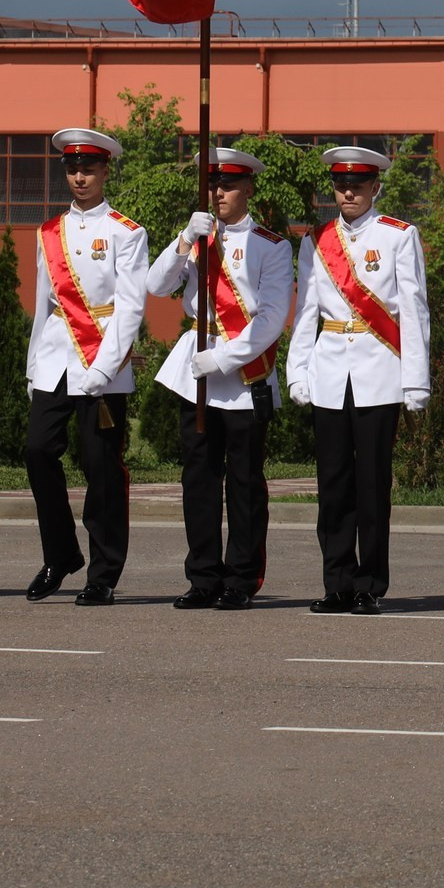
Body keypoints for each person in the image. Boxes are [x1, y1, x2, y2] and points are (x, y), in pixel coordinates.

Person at [284, 145, 429, 615]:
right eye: (341, 185)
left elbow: (414, 311)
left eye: (358, 185)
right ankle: (337, 584)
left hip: (379, 370)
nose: (348, 193)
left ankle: (369, 584)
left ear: (375, 187)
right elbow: (306, 310)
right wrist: (297, 369)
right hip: (329, 370)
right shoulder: (317, 239)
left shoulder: (398, 236)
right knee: (332, 486)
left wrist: (416, 380)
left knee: (371, 486)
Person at [147, 147, 293, 611]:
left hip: (243, 373)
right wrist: (183, 241)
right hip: (196, 369)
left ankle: (241, 579)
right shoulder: (198, 238)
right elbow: (155, 285)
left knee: (244, 482)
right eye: (213, 185)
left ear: (248, 188)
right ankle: (203, 577)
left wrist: (223, 359)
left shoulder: (271, 245)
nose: (219, 193)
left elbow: (270, 319)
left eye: (228, 185)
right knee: (199, 479)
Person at [23, 128, 149, 606]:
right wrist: (34, 366)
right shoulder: (48, 232)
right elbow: (43, 304)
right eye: (73, 169)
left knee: (101, 468)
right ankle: (59, 556)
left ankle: (103, 573)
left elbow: (130, 307)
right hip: (56, 359)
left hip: (102, 361)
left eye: (88, 169)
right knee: (38, 450)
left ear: (105, 171)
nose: (79, 177)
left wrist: (105, 367)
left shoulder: (126, 232)